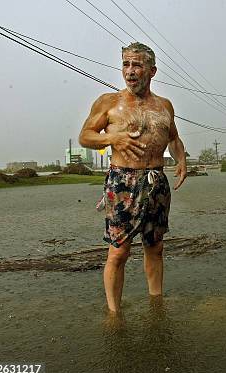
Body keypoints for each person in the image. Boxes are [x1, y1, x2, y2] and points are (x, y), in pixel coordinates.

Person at [79, 42, 187, 313]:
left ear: (152, 71)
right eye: (126, 64)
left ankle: (156, 304)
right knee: (119, 251)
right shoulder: (109, 103)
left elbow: (173, 138)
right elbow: (85, 136)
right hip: (123, 182)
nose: (130, 71)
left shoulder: (164, 106)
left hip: (157, 181)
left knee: (155, 246)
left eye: (137, 65)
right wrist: (112, 137)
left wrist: (181, 159)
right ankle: (114, 314)